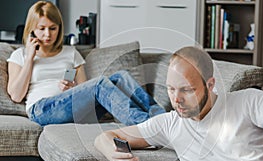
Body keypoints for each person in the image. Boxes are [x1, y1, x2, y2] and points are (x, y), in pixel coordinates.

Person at [94, 46, 263, 161]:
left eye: (187, 90)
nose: (177, 99)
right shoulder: (169, 124)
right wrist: (111, 152)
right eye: (171, 89)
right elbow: (106, 137)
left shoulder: (247, 100)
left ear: (210, 85)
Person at [6, 1, 165, 126]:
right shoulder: (19, 55)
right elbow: (16, 95)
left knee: (121, 77)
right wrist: (29, 59)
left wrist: (72, 89)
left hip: (73, 108)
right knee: (100, 83)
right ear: (32, 29)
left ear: (59, 28)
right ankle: (146, 125)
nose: (47, 34)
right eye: (42, 28)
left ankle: (164, 119)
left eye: (53, 28)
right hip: (41, 110)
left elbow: (85, 89)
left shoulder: (71, 53)